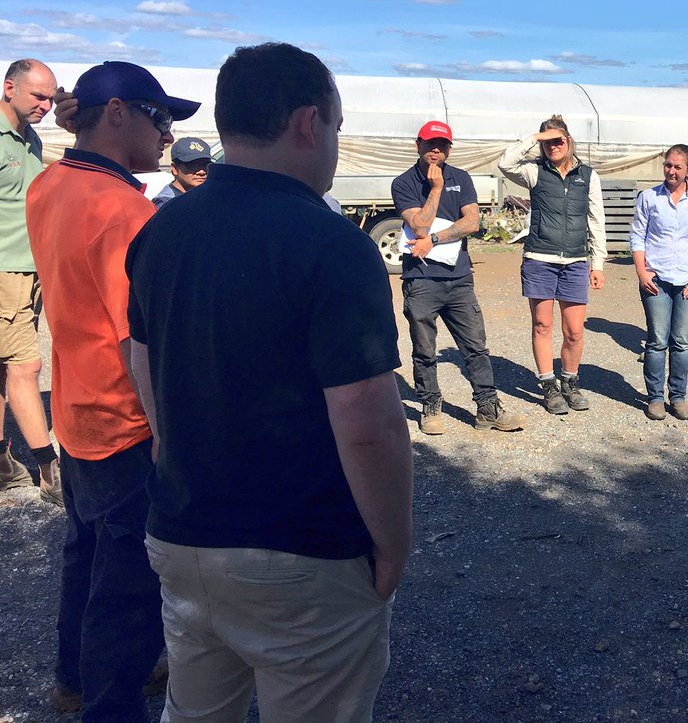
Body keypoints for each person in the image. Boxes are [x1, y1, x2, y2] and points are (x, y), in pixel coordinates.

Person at [125, 42, 412, 720]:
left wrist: (171, 451)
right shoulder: (332, 243)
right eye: (337, 129)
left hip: (182, 532)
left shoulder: (162, 230)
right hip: (301, 548)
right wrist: (394, 542)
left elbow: (141, 358)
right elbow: (368, 420)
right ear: (309, 123)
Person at [26, 60, 197, 721]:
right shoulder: (126, 212)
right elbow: (140, 341)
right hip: (126, 419)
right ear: (120, 112)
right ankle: (109, 707)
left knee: (85, 554)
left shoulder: (50, 184)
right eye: (159, 118)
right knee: (125, 588)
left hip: (75, 410)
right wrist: (173, 439)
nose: (166, 135)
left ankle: (72, 680)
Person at [393, 120, 525, 435]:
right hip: (422, 280)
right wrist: (436, 189)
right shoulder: (404, 183)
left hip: (459, 277)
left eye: (443, 145)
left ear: (450, 148)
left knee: (475, 346)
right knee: (424, 348)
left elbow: (472, 222)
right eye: (430, 144)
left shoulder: (461, 178)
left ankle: (488, 409)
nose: (436, 150)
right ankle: (431, 407)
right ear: (418, 145)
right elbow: (419, 226)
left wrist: (435, 240)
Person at [499, 116, 607, 415]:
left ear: (569, 141)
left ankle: (569, 382)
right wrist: (535, 136)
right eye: (547, 143)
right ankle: (548, 385)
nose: (552, 147)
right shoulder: (534, 172)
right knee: (542, 325)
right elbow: (505, 164)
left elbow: (596, 220)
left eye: (558, 140)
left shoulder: (588, 176)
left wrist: (597, 263)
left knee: (574, 331)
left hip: (574, 261)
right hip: (540, 259)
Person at [0, 59, 62, 506]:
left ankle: (3, 463)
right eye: (38, 96)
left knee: (5, 371)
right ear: (9, 88)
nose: (46, 105)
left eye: (51, 98)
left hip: (30, 269)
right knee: (26, 367)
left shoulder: (31, 137)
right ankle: (49, 469)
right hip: (4, 271)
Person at [630, 144, 688, 421]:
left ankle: (677, 397)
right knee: (656, 340)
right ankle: (654, 397)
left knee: (680, 341)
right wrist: (642, 272)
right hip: (657, 278)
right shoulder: (648, 198)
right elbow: (637, 237)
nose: (671, 171)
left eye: (678, 167)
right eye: (668, 165)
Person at [151, 136, 213, 208]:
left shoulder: (210, 196)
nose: (202, 172)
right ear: (174, 168)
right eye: (192, 165)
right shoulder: (166, 204)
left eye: (206, 164)